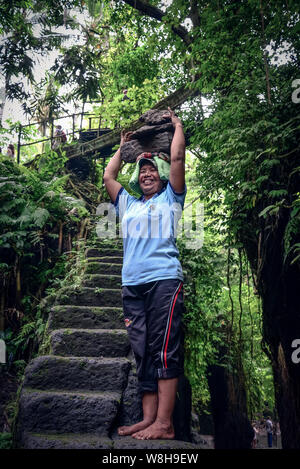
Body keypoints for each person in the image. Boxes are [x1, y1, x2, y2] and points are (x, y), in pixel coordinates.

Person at [103, 107, 186, 440]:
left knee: (164, 347)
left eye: (153, 170)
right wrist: (121, 151)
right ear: (137, 178)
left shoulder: (172, 197)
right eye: (143, 171)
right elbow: (109, 177)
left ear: (161, 175)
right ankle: (149, 418)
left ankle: (165, 423)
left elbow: (178, 159)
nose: (148, 174)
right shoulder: (128, 203)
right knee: (143, 351)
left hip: (164, 280)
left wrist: (177, 125)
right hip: (132, 286)